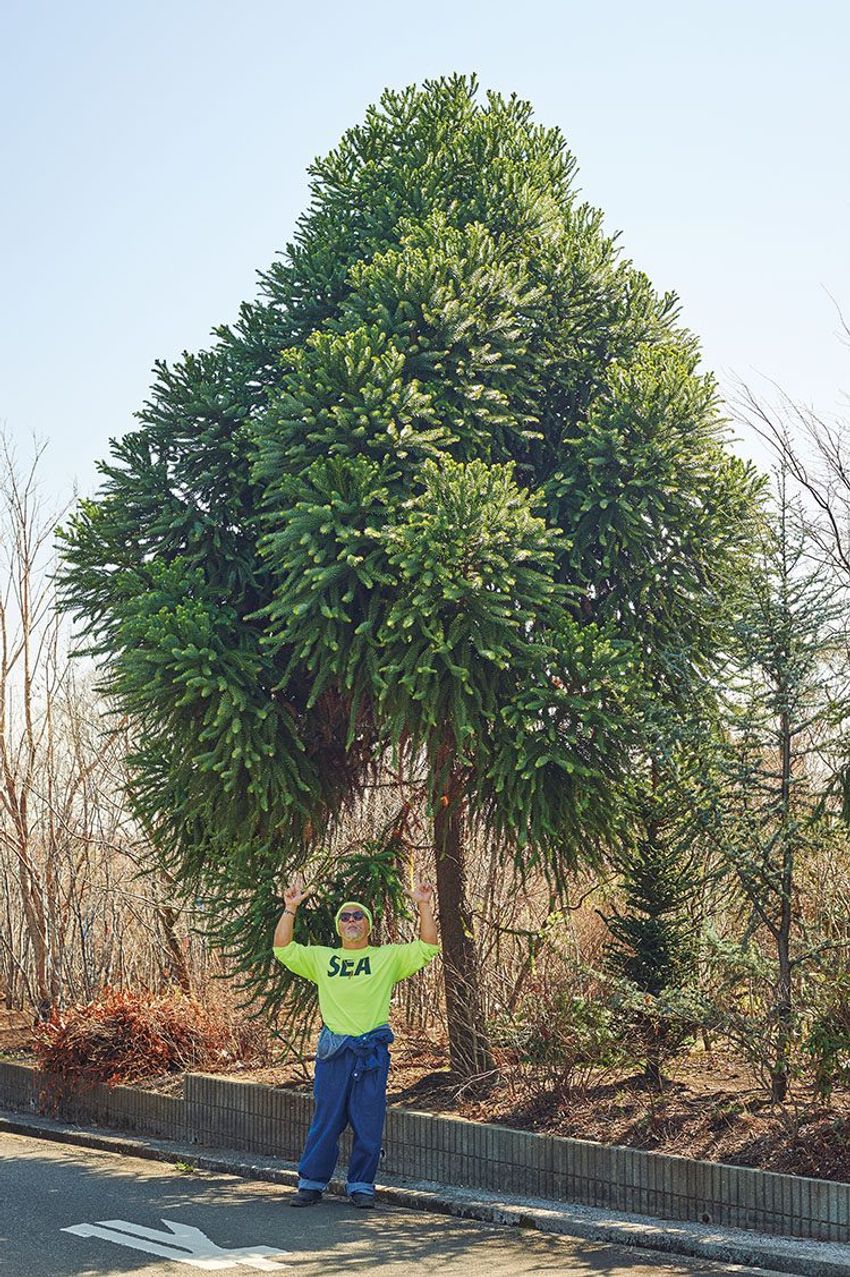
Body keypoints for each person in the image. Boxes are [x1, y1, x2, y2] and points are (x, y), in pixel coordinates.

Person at [273, 871, 439, 1209]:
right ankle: (311, 1182)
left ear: (368, 925)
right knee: (326, 1118)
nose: (352, 920)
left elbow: (427, 947)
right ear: (338, 926)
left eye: (358, 915)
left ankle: (362, 1185)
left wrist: (424, 907)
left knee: (368, 1120)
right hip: (335, 1051)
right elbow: (283, 949)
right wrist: (290, 908)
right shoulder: (323, 958)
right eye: (345, 917)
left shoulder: (386, 958)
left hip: (371, 1053)